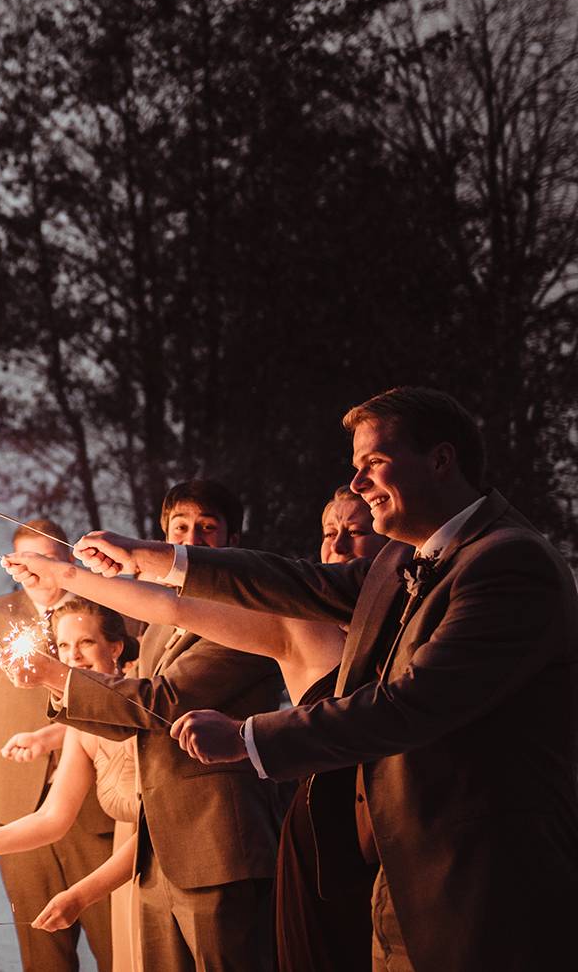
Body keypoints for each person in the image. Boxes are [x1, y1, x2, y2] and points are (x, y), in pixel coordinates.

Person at [91, 387, 578, 972]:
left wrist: (249, 738)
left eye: (373, 463)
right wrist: (155, 559)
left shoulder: (508, 562)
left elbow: (410, 705)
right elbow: (297, 582)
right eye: (355, 469)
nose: (359, 484)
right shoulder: (403, 559)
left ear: (441, 459)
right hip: (392, 867)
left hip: (480, 876)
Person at [8, 480, 388, 972]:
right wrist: (66, 573)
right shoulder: (286, 618)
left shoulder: (291, 611)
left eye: (355, 531)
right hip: (283, 831)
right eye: (328, 532)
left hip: (269, 837)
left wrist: (61, 672)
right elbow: (169, 605)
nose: (336, 546)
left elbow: (161, 701)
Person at [0, 517, 109, 972]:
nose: (38, 569)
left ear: (69, 562)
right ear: (13, 564)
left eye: (49, 559)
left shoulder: (105, 614)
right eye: (28, 559)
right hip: (14, 798)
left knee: (112, 931)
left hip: (97, 792)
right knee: (39, 933)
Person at [0, 597, 140, 972]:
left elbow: (155, 836)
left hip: (151, 872)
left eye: (86, 643)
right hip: (125, 870)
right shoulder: (81, 723)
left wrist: (80, 895)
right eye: (64, 646)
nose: (73, 656)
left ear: (116, 646)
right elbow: (53, 818)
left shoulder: (147, 706)